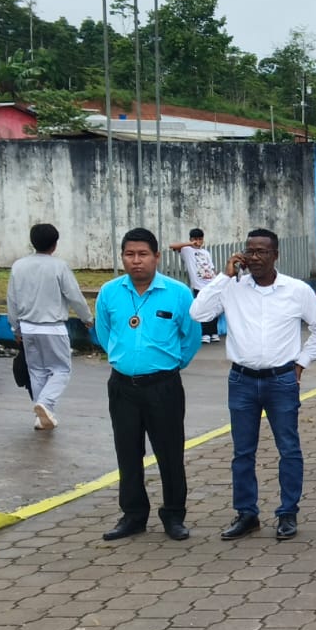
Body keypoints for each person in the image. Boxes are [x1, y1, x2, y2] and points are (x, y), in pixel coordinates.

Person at [192, 228, 316, 542]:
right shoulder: (232, 288)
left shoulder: (296, 290)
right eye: (250, 251)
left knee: (289, 449)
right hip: (241, 380)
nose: (254, 257)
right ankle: (246, 513)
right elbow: (198, 313)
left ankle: (287, 512)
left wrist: (302, 362)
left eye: (261, 252)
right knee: (242, 451)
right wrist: (224, 277)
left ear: (275, 255)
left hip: (281, 380)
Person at [94, 228, 202, 540]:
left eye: (143, 254)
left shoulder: (178, 293)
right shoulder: (109, 292)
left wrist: (172, 365)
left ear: (156, 256)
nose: (136, 261)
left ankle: (174, 515)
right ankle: (133, 515)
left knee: (170, 453)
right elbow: (104, 333)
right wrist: (124, 358)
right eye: (129, 254)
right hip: (122, 387)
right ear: (122, 258)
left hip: (163, 386)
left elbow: (191, 337)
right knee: (127, 452)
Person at [7, 222, 94, 430]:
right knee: (61, 370)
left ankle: (42, 417)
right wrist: (87, 317)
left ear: (32, 242)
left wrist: (15, 327)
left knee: (37, 371)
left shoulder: (18, 266)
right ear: (55, 245)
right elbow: (74, 295)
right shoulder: (59, 266)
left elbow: (12, 299)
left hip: (27, 328)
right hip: (53, 327)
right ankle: (45, 404)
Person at [170, 228, 222, 342]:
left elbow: (211, 268)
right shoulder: (187, 250)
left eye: (200, 239)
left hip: (211, 283)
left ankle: (213, 332)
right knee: (203, 308)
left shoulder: (206, 252)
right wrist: (190, 244)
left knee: (214, 308)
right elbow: (172, 246)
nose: (198, 241)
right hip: (199, 285)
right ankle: (205, 333)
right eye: (195, 239)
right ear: (191, 239)